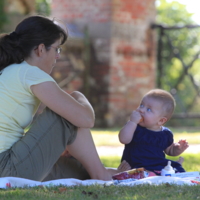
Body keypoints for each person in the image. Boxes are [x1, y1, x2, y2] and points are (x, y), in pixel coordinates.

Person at [0, 15, 130, 182]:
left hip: (10, 162)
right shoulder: (30, 73)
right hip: (7, 167)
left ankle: (99, 172)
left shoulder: (9, 70)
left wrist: (58, 141)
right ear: (41, 49)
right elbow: (85, 119)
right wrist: (79, 97)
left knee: (80, 171)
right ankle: (101, 174)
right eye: (56, 49)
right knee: (67, 109)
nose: (58, 56)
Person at [118, 89, 189, 175]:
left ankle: (172, 167)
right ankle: (168, 170)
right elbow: (124, 139)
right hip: (135, 165)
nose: (141, 110)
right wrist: (132, 122)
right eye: (141, 105)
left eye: (148, 109)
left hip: (157, 165)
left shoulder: (165, 134)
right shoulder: (134, 127)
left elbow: (169, 150)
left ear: (161, 121)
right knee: (140, 173)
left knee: (173, 168)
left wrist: (176, 149)